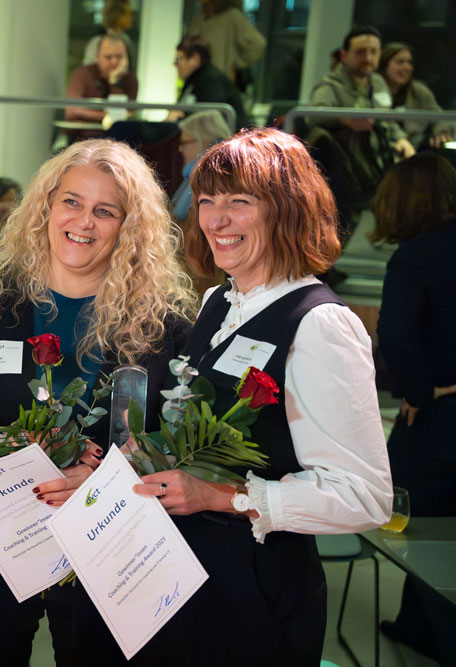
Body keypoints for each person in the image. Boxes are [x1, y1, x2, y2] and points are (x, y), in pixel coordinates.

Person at [0, 139, 196, 666]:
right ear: (45, 205)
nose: (84, 222)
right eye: (71, 201)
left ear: (129, 226)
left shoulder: (162, 322)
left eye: (105, 210)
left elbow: (178, 441)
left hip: (108, 531)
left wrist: (108, 475)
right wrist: (11, 449)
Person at [130, 127, 393, 666]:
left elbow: (364, 496)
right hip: (186, 576)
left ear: (288, 210)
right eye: (206, 202)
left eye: (239, 203)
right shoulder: (216, 303)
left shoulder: (320, 324)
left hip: (259, 593)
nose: (216, 220)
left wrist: (220, 498)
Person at [372, 154, 456, 663]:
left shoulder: (414, 256)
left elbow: (396, 335)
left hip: (437, 418)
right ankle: (415, 626)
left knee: (422, 534)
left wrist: (418, 393)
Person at [309, 26, 415, 186]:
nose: (368, 58)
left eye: (374, 52)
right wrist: (343, 119)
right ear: (344, 55)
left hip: (381, 160)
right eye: (360, 52)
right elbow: (313, 116)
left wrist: (400, 138)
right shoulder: (329, 87)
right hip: (349, 170)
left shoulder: (378, 82)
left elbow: (387, 117)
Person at [378, 42, 455, 151]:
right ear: (384, 64)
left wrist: (442, 131)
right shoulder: (373, 88)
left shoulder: (418, 91)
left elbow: (440, 117)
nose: (407, 67)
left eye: (409, 62)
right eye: (400, 62)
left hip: (415, 151)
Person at [171, 36, 250, 129]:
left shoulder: (210, 79)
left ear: (195, 59)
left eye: (178, 58)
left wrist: (181, 114)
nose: (174, 64)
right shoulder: (194, 79)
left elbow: (211, 119)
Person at [186, 0, 266, 88]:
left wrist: (236, 64)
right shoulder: (200, 20)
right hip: (200, 79)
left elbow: (258, 44)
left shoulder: (232, 17)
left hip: (222, 81)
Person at [171, 110, 232, 220]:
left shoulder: (207, 174)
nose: (180, 149)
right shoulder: (200, 171)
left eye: (183, 143)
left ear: (203, 140)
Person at [65, 34, 138, 125]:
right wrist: (105, 117)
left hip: (116, 137)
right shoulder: (82, 74)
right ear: (97, 57)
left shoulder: (130, 80)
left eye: (119, 57)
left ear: (127, 59)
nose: (114, 62)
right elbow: (72, 111)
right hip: (84, 136)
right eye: (108, 57)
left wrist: (115, 83)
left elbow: (123, 117)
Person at [81, 0, 136, 72]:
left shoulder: (126, 40)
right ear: (117, 15)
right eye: (129, 14)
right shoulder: (97, 42)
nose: (132, 17)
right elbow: (88, 73)